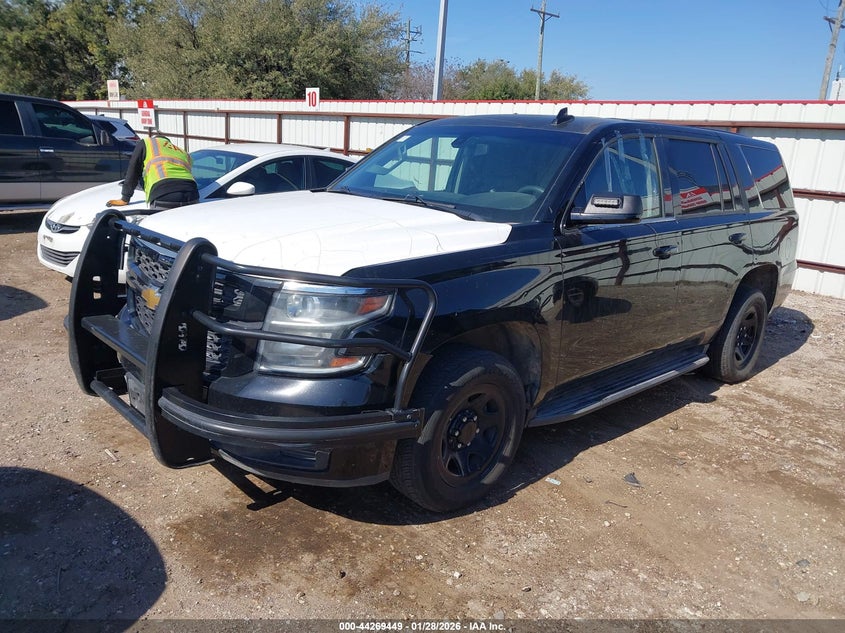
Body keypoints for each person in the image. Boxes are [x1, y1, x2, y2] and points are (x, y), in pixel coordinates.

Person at [107, 129, 198, 209]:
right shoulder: (183, 152)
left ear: (154, 138)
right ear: (168, 141)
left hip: (164, 194)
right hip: (192, 193)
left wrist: (125, 198)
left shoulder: (147, 143)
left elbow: (133, 170)